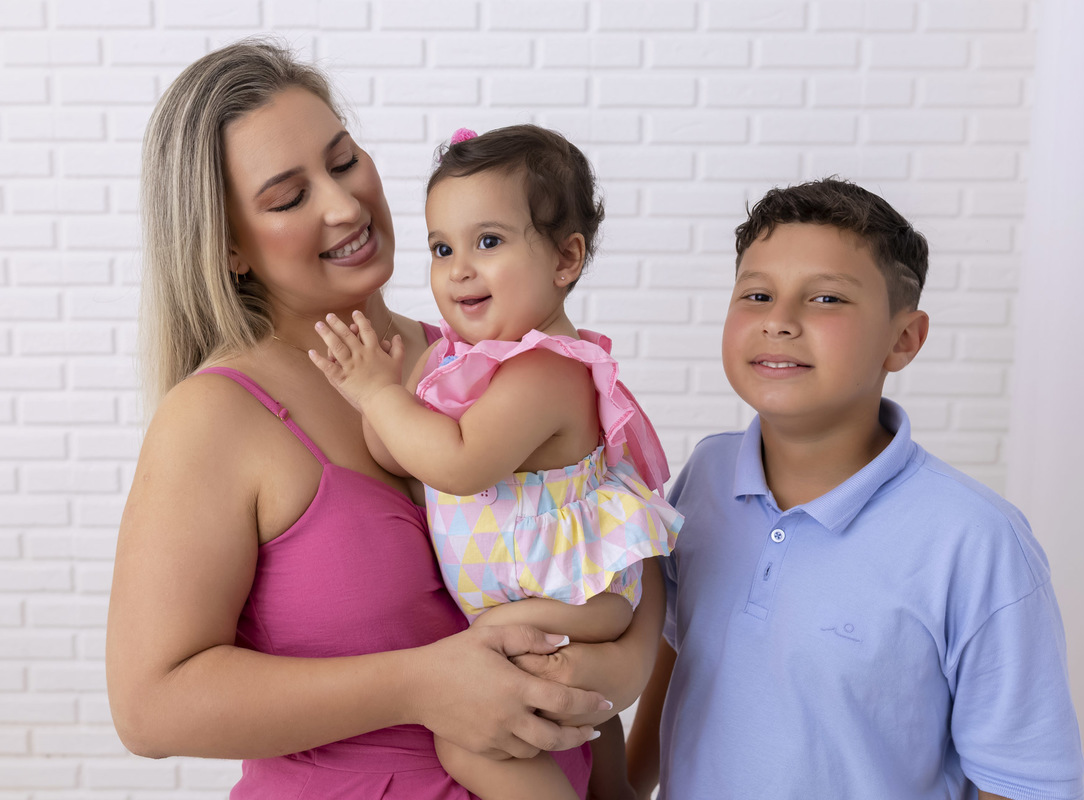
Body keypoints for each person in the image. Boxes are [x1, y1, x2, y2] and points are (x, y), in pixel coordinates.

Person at [105, 40, 668, 800]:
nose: (343, 206)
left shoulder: (483, 364)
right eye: (287, 197)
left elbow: (612, 525)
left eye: (342, 162)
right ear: (230, 246)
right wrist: (415, 686)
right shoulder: (216, 417)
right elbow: (150, 709)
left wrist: (621, 663)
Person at [625, 178, 1084, 800]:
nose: (779, 321)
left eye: (826, 299)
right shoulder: (707, 474)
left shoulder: (978, 542)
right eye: (758, 293)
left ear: (904, 339)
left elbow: (1021, 784)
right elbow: (684, 654)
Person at [310, 124, 682, 800]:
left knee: (464, 733)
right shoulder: (456, 360)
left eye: (489, 242)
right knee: (583, 725)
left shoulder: (544, 372)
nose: (459, 269)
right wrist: (392, 401)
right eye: (441, 247)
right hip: (535, 594)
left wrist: (377, 393)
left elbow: (457, 466)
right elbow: (390, 450)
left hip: (575, 595)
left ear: (566, 260)